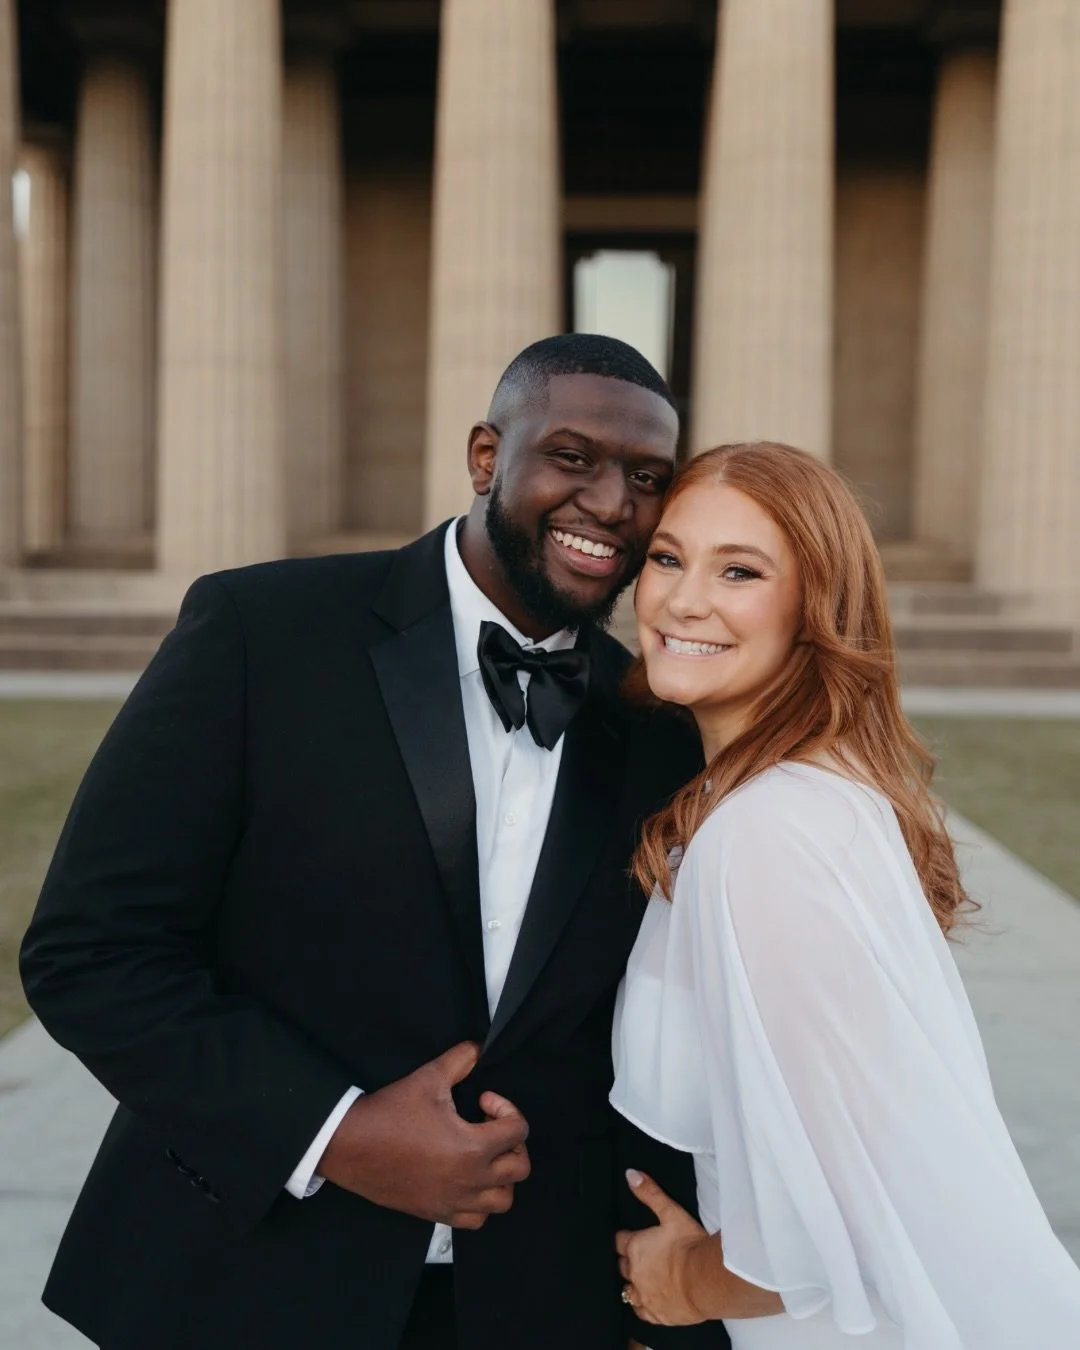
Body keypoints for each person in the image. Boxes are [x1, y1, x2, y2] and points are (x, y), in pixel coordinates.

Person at [19, 335, 746, 1350]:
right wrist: (333, 1134)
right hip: (242, 1286)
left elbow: (653, 1043)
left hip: (536, 1307)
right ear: (487, 457)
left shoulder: (660, 727)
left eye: (646, 477)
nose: (613, 503)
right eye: (572, 458)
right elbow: (91, 952)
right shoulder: (260, 632)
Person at [609, 441, 1080, 1348]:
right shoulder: (785, 801)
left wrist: (680, 1282)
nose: (683, 599)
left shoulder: (766, 834)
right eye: (668, 557)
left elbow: (823, 1232)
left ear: (814, 606)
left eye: (739, 570)